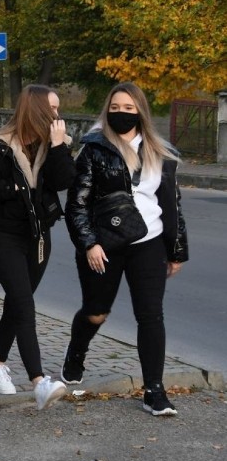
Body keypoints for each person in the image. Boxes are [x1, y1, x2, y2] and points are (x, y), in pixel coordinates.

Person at [62, 82, 188, 416]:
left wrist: (176, 250)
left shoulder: (159, 151)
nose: (121, 114)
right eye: (115, 108)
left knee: (150, 314)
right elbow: (77, 204)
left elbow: (171, 203)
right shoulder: (94, 149)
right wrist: (89, 244)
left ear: (140, 112)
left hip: (149, 243)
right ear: (107, 111)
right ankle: (76, 351)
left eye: (129, 109)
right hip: (104, 245)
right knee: (96, 312)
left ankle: (154, 391)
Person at [0, 84, 75, 410]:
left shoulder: (54, 145)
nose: (58, 116)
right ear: (36, 111)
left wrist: (59, 148)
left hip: (40, 236)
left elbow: (63, 182)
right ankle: (39, 381)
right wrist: (12, 187)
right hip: (5, 236)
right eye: (53, 109)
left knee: (18, 303)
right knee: (24, 302)